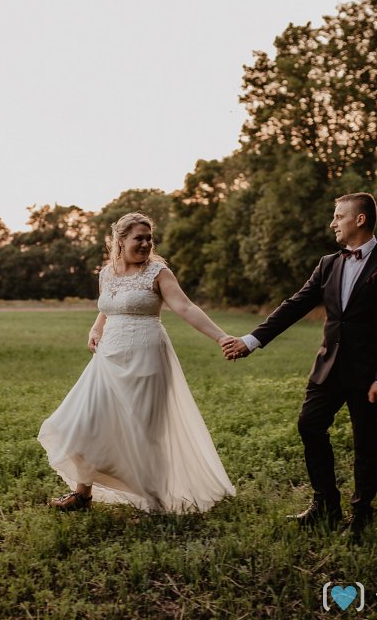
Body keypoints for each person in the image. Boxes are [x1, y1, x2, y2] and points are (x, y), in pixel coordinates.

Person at [222, 193, 377, 537]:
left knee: (366, 440)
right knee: (309, 426)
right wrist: (252, 340)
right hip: (328, 367)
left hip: (368, 373)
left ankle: (361, 513)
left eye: (338, 216)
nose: (332, 223)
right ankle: (325, 503)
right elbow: (294, 305)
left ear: (359, 219)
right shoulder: (328, 263)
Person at [38, 212, 236, 513]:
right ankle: (83, 495)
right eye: (138, 238)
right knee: (88, 421)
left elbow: (185, 307)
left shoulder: (158, 273)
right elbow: (109, 307)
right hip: (107, 359)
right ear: (120, 241)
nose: (145, 244)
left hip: (146, 358)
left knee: (145, 431)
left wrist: (221, 337)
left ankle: (155, 503)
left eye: (148, 238)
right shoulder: (107, 273)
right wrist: (96, 328)